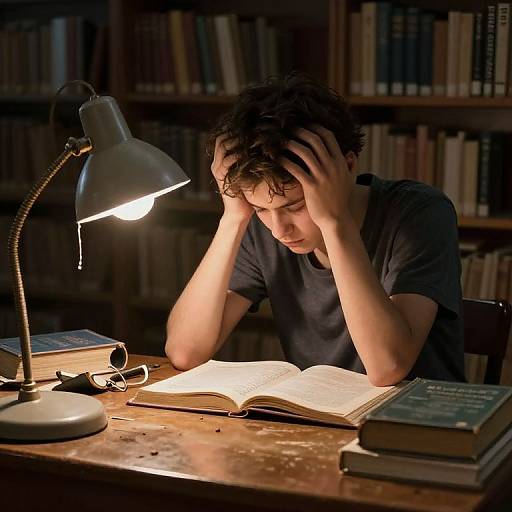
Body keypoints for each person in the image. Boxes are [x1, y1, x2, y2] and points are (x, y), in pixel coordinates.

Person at [165, 72, 465, 386]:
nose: (278, 229)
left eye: (294, 206)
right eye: (260, 209)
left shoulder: (420, 213)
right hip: (326, 421)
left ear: (347, 167)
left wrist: (334, 222)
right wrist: (233, 219)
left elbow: (388, 366)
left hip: (417, 422)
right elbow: (185, 351)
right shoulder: (261, 228)